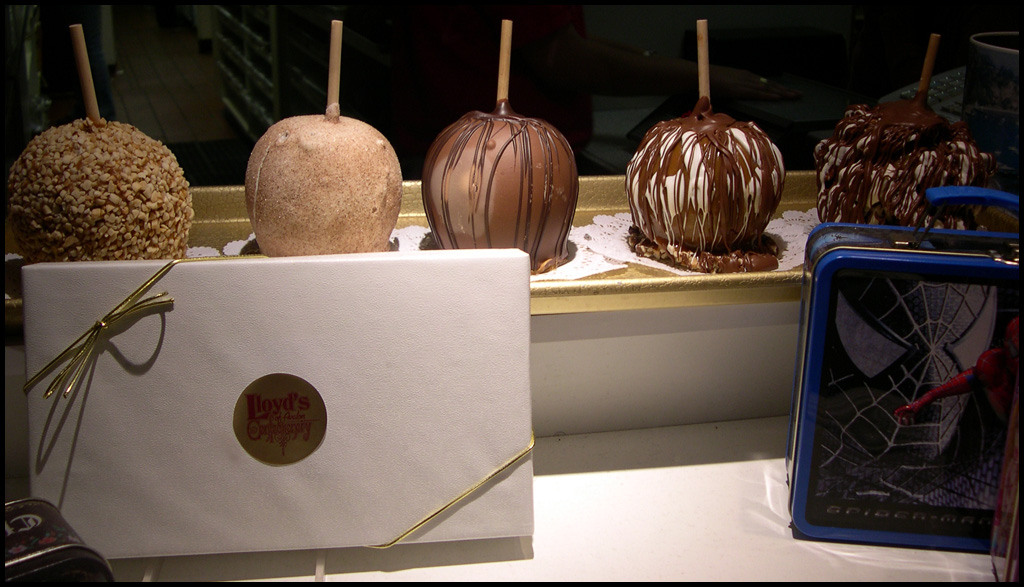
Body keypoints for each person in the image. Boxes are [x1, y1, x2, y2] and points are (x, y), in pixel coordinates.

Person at [389, 6, 798, 177]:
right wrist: (698, 77)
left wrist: (662, 61)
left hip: (485, 149)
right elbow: (560, 57)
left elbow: (560, 38)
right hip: (476, 161)